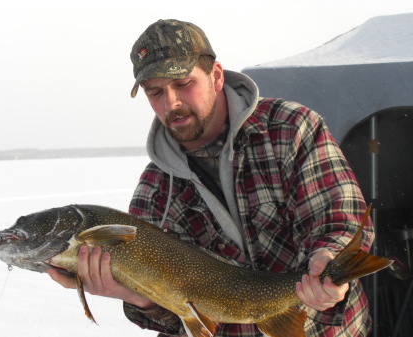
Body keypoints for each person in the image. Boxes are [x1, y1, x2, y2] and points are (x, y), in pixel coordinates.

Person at [48, 19, 375, 337]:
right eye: (155, 92)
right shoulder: (154, 191)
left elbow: (337, 218)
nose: (171, 103)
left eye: (183, 84)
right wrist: (138, 297)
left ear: (216, 76)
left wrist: (327, 261)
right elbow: (179, 320)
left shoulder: (290, 128)